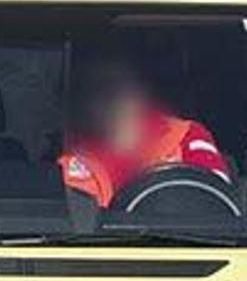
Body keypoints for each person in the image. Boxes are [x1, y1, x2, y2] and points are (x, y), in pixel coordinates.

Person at [57, 61, 231, 207]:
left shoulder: (187, 136)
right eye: (98, 91)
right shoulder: (71, 161)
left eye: (118, 87)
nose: (111, 99)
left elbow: (218, 204)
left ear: (139, 91)